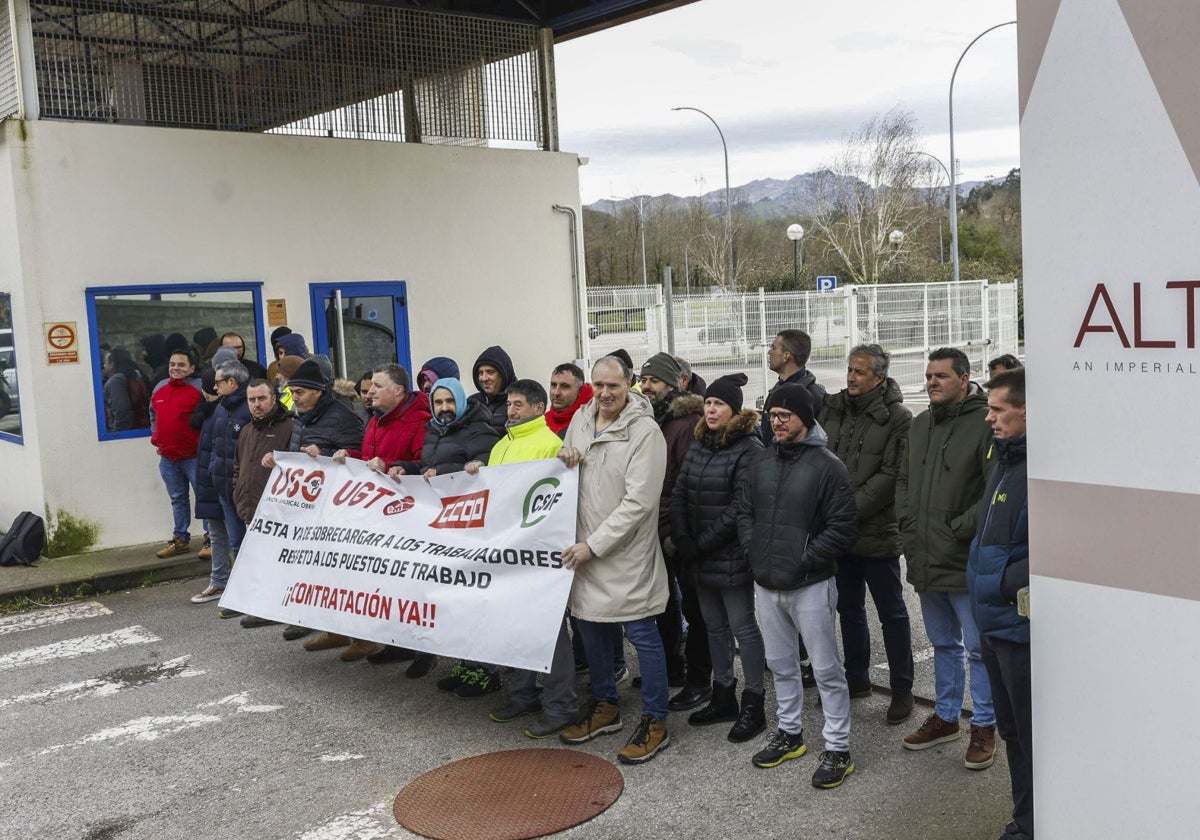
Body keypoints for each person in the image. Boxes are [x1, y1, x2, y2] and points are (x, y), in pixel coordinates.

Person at [736, 384, 858, 788]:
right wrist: (756, 553)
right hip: (767, 583)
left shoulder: (828, 466)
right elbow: (745, 513)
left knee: (826, 669)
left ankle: (838, 747)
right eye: (772, 415)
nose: (776, 421)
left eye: (785, 415)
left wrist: (802, 560)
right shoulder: (761, 461)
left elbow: (842, 529)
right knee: (781, 664)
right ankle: (790, 734)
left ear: (805, 418)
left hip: (810, 585)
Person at [557, 355, 671, 766]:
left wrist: (595, 545)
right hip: (584, 548)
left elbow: (639, 503)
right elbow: (570, 472)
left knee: (641, 633)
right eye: (599, 386)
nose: (605, 394)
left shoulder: (645, 433)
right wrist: (566, 457)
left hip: (624, 554)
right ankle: (605, 705)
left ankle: (656, 719)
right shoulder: (582, 420)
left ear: (631, 385)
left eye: (614, 387)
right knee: (589, 628)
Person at [897, 347, 997, 770]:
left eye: (940, 375)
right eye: (928, 375)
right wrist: (907, 525)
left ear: (964, 378)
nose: (932, 382)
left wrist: (958, 530)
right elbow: (904, 479)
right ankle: (946, 716)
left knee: (977, 647)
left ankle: (986, 724)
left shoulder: (984, 423)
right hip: (924, 555)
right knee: (942, 643)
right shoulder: (919, 425)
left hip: (962, 555)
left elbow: (993, 490)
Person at [464, 380, 577, 739]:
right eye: (508, 405)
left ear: (537, 408)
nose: (509, 411)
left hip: (538, 555)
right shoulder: (500, 445)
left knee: (550, 633)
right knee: (513, 628)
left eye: (517, 405)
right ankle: (523, 694)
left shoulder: (550, 444)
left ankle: (561, 705)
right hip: (506, 551)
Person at [818, 344, 916, 724]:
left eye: (859, 372)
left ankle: (902, 688)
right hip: (840, 533)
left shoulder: (898, 417)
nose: (851, 377)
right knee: (848, 608)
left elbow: (892, 475)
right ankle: (856, 678)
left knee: (892, 612)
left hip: (876, 532)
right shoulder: (833, 409)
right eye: (849, 370)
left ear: (879, 377)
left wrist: (845, 511)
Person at [670, 372, 767, 743]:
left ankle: (754, 700)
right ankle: (722, 691)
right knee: (712, 627)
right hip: (697, 553)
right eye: (708, 402)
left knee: (743, 627)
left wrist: (702, 542)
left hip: (729, 556)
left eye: (719, 404)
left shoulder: (749, 449)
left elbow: (741, 505)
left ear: (734, 411)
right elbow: (680, 489)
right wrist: (682, 535)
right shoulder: (699, 441)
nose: (711, 409)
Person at [387, 377, 500, 688]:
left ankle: (487, 671)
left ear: (461, 401)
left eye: (450, 401)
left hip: (471, 528)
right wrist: (402, 468)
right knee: (455, 601)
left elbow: (486, 467)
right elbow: (426, 468)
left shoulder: (479, 428)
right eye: (438, 402)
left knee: (474, 601)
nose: (445, 408)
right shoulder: (432, 431)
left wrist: (446, 473)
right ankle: (467, 663)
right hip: (443, 529)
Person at [331, 363, 432, 668]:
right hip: (380, 516)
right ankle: (397, 643)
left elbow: (420, 464)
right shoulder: (376, 420)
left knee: (413, 587)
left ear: (398, 391)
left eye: (377, 385)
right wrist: (351, 458)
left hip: (409, 518)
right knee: (388, 584)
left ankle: (424, 652)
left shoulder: (420, 421)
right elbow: (369, 460)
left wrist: (387, 464)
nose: (369, 391)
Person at [967, 367, 1032, 840]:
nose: (988, 418)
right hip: (993, 620)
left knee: (1032, 739)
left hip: (1018, 627)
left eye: (997, 410)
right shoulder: (1004, 459)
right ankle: (1025, 821)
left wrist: (1007, 584)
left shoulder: (1045, 468)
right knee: (1012, 734)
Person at [268, 359, 365, 647]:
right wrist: (281, 461)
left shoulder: (342, 417)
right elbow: (298, 455)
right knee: (322, 572)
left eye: (299, 392)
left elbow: (358, 453)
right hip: (314, 508)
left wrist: (323, 452)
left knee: (347, 575)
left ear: (318, 392)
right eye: (292, 392)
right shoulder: (303, 417)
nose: (294, 398)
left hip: (341, 507)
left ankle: (362, 636)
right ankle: (334, 631)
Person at [639, 352, 711, 708]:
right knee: (662, 604)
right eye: (644, 379)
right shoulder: (651, 420)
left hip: (679, 534)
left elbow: (688, 485)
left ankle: (701, 681)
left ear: (673, 383)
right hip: (654, 530)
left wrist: (677, 533)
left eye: (653, 380)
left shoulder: (686, 424)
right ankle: (671, 666)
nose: (646, 386)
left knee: (695, 610)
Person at [231, 378, 296, 630]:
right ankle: (264, 606)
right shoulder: (247, 430)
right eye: (251, 400)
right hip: (250, 508)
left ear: (273, 398)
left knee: (281, 564)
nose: (256, 405)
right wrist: (238, 491)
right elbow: (238, 466)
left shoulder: (289, 427)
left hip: (278, 512)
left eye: (261, 399)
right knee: (260, 561)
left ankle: (287, 611)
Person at [208, 360, 253, 620]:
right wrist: (215, 470)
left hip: (245, 490)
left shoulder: (248, 408)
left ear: (232, 383)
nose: (215, 387)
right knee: (236, 543)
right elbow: (215, 444)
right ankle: (242, 597)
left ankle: (255, 596)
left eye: (219, 382)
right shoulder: (221, 409)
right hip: (225, 488)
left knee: (250, 544)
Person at [149, 348, 203, 559]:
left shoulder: (200, 389)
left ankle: (211, 539)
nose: (176, 368)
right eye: (173, 364)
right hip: (168, 457)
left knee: (203, 498)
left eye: (181, 365)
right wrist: (156, 436)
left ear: (191, 368)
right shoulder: (160, 388)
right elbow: (152, 415)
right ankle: (181, 539)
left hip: (194, 456)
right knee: (177, 499)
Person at [190, 368, 233, 605]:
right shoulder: (209, 413)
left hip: (221, 483)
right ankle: (219, 581)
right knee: (217, 534)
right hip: (213, 481)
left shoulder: (223, 412)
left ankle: (228, 582)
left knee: (232, 536)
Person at [760, 329, 826, 444]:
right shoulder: (775, 393)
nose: (769, 352)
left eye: (773, 348)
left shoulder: (816, 398)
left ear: (786, 356)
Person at [469, 346, 517, 431]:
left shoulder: (518, 402)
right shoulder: (472, 402)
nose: (484, 378)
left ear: (503, 374)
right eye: (480, 373)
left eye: (490, 372)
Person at [103, 346, 151, 431]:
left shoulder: (115, 381)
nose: (104, 365)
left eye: (106, 362)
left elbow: (121, 410)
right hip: (143, 427)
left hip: (127, 432)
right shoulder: (137, 375)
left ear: (112, 363)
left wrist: (118, 434)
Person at [545, 362, 593, 439]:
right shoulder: (544, 420)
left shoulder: (592, 420)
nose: (556, 392)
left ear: (580, 390)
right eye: (554, 385)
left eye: (564, 387)